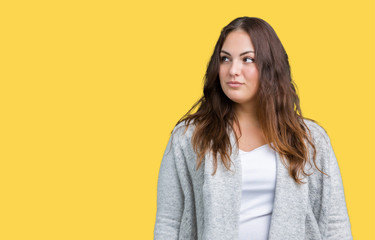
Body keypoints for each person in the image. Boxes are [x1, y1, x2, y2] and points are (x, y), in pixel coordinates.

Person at [154, 16, 353, 240]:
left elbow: (335, 224)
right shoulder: (190, 137)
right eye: (225, 59)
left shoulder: (310, 139)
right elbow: (169, 221)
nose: (233, 70)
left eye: (247, 59)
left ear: (270, 66)